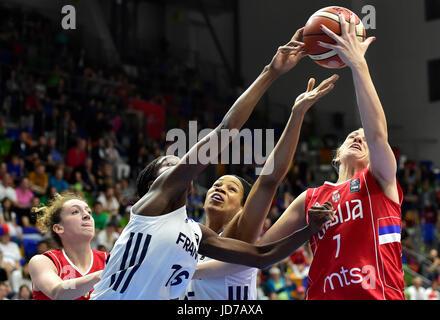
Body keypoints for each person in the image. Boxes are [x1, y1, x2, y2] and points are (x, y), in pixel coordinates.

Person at [90, 37, 334, 300]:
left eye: (231, 188)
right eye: (171, 166)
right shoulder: (151, 208)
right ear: (153, 186)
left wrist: (310, 230)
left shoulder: (195, 234)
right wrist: (269, 72)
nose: (180, 166)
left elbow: (263, 255)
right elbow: (223, 133)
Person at [182, 28, 338, 300]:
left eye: (232, 189)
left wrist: (297, 113)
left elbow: (268, 180)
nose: (220, 188)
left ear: (244, 208)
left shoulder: (240, 234)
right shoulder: (188, 237)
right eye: (218, 184)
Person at [260, 13, 405, 300]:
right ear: (337, 155)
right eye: (353, 134)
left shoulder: (381, 179)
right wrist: (296, 111)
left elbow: (377, 135)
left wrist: (358, 64)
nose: (359, 136)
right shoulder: (311, 199)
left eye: (363, 138)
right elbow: (262, 252)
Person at [28, 192, 108, 300]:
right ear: (59, 228)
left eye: (89, 211)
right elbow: (57, 291)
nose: (87, 215)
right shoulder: (43, 261)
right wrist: (105, 274)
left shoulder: (109, 260)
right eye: (75, 212)